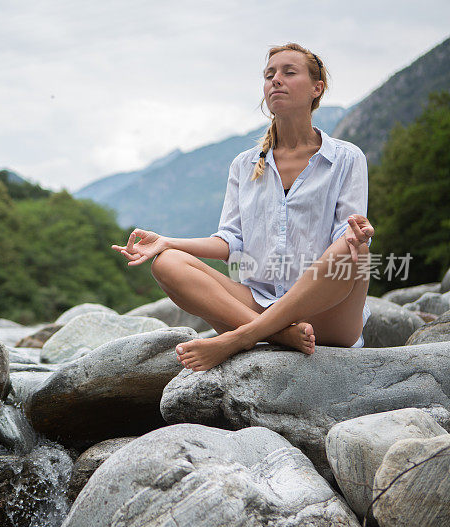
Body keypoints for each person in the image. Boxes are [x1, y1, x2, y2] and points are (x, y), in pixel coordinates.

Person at [112, 43, 375, 372]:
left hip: (325, 315)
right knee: (166, 263)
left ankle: (240, 338)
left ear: (316, 88)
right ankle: (278, 334)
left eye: (288, 73)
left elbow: (346, 235)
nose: (275, 80)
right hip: (256, 306)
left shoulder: (346, 158)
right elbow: (230, 241)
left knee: (352, 252)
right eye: (269, 75)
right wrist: (168, 242)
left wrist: (358, 237)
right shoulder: (243, 165)